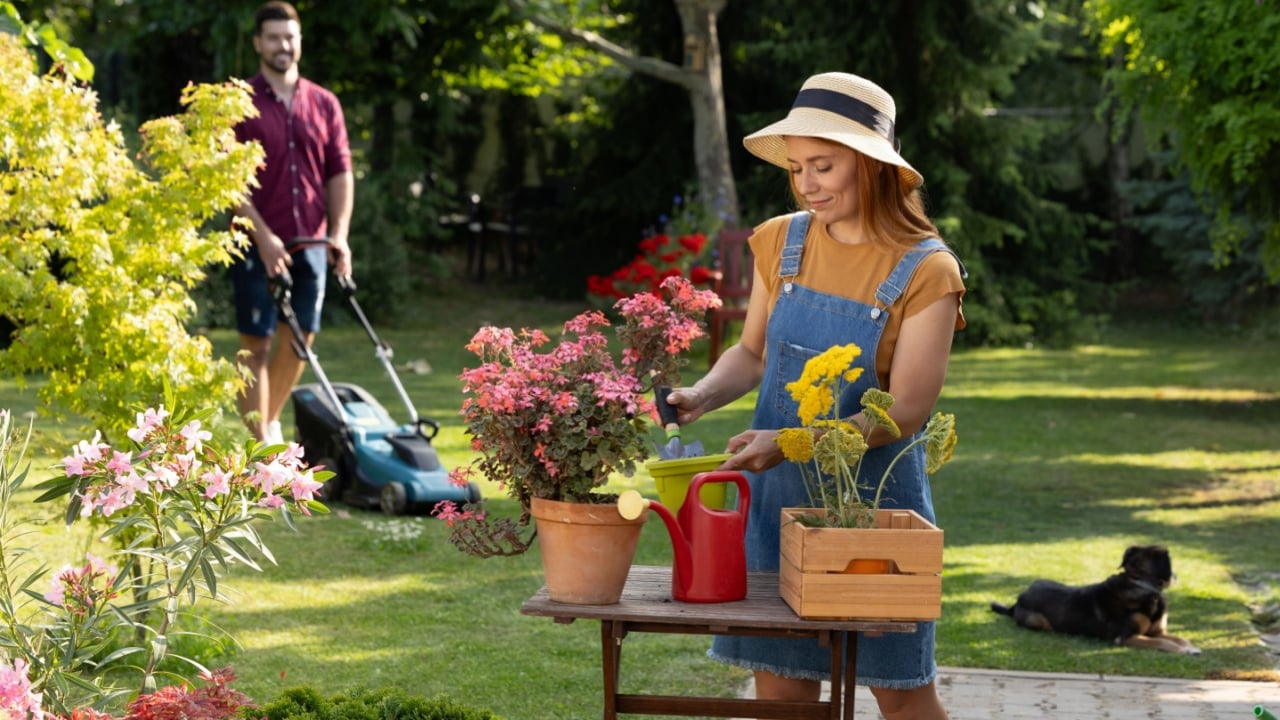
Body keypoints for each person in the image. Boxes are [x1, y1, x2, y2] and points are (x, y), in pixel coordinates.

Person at [667, 72, 966, 720]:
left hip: (874, 513)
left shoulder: (928, 270)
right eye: (798, 167)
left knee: (903, 694)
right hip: (774, 503)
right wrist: (703, 393)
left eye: (824, 165)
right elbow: (752, 354)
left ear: (873, 166)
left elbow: (908, 410)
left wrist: (796, 442)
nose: (807, 183)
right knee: (781, 690)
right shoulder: (782, 241)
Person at [231, 0, 353, 444]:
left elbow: (339, 173)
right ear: (258, 43)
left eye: (290, 36)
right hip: (255, 241)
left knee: (301, 338)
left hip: (312, 242)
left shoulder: (325, 103)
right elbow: (229, 182)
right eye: (274, 37)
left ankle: (269, 424)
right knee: (256, 344)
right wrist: (262, 236)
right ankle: (258, 445)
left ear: (299, 40)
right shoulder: (240, 102)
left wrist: (338, 236)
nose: (283, 45)